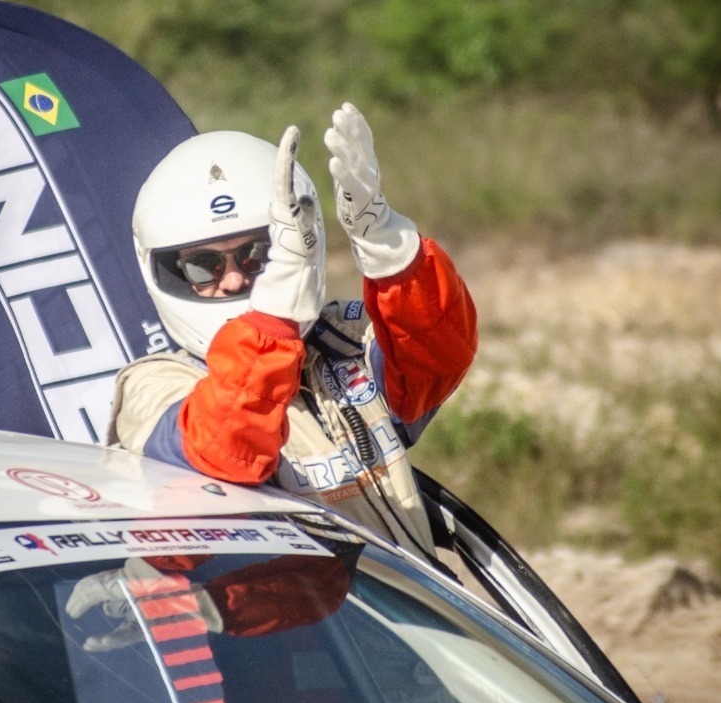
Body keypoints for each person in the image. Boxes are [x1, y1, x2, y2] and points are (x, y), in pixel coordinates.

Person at [108, 103, 477, 560]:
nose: (233, 279)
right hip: (297, 628)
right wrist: (275, 314)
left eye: (257, 254)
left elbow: (437, 358)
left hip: (407, 616)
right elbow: (223, 447)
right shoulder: (153, 387)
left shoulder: (341, 343)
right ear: (166, 268)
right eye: (202, 265)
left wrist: (391, 249)